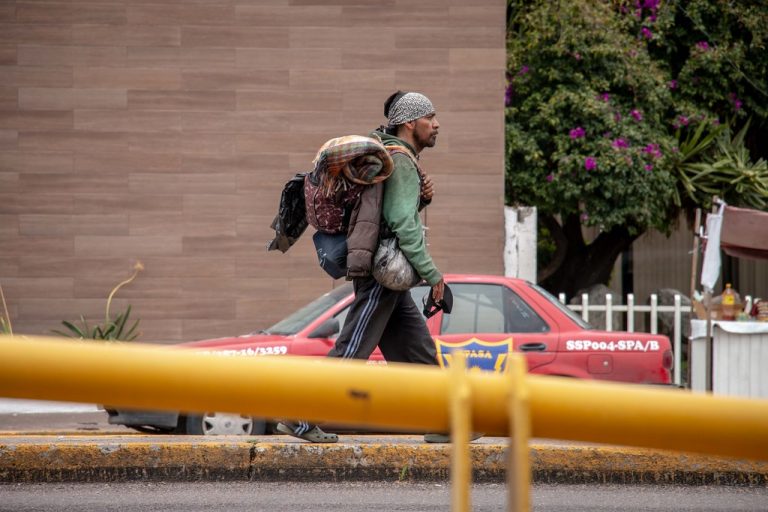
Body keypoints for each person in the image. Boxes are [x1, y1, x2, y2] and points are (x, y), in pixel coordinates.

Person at [276, 91, 451, 443]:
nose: (436, 125)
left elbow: (386, 214)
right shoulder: (399, 160)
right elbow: (402, 223)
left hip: (385, 273)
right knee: (352, 349)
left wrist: (423, 197)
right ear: (408, 123)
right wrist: (434, 276)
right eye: (429, 118)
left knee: (417, 350)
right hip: (381, 273)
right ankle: (299, 416)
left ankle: (447, 420)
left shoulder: (388, 154)